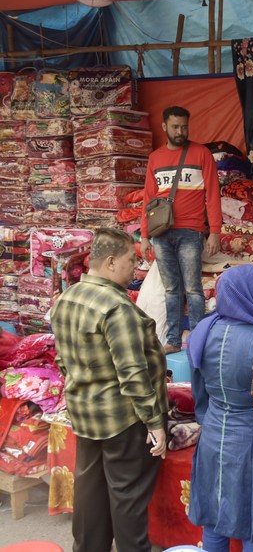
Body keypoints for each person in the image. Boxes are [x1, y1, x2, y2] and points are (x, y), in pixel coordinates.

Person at [50, 228, 168, 552]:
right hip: (122, 420)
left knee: (90, 491)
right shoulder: (117, 307)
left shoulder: (66, 299)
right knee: (127, 497)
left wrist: (83, 389)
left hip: (85, 414)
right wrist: (155, 422)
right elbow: (131, 372)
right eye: (132, 260)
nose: (136, 266)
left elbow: (62, 359)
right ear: (112, 262)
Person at [186, 264, 253, 552]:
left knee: (215, 520)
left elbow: (198, 390)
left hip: (214, 434)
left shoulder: (204, 330)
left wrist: (208, 417)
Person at [141, 105, 223, 354]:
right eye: (175, 126)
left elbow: (212, 193)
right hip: (161, 232)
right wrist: (144, 235)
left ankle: (197, 339)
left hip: (192, 231)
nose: (180, 131)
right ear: (164, 126)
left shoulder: (201, 154)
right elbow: (148, 198)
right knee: (171, 289)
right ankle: (174, 340)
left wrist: (215, 231)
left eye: (184, 126)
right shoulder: (155, 158)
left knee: (193, 289)